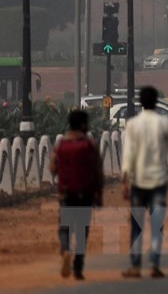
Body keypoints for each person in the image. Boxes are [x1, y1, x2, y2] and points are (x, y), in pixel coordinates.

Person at [121, 86, 168, 279]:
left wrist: (124, 181)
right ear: (156, 102)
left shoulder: (133, 124)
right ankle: (154, 264)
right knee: (157, 225)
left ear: (141, 102)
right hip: (159, 180)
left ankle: (135, 265)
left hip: (138, 181)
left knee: (136, 226)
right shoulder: (164, 124)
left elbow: (128, 154)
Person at [51, 109, 103, 280]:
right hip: (85, 193)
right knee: (81, 232)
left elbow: (53, 168)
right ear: (82, 124)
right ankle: (78, 268)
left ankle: (66, 249)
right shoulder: (89, 144)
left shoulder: (61, 144)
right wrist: (99, 195)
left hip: (66, 193)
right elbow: (97, 171)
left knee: (65, 227)